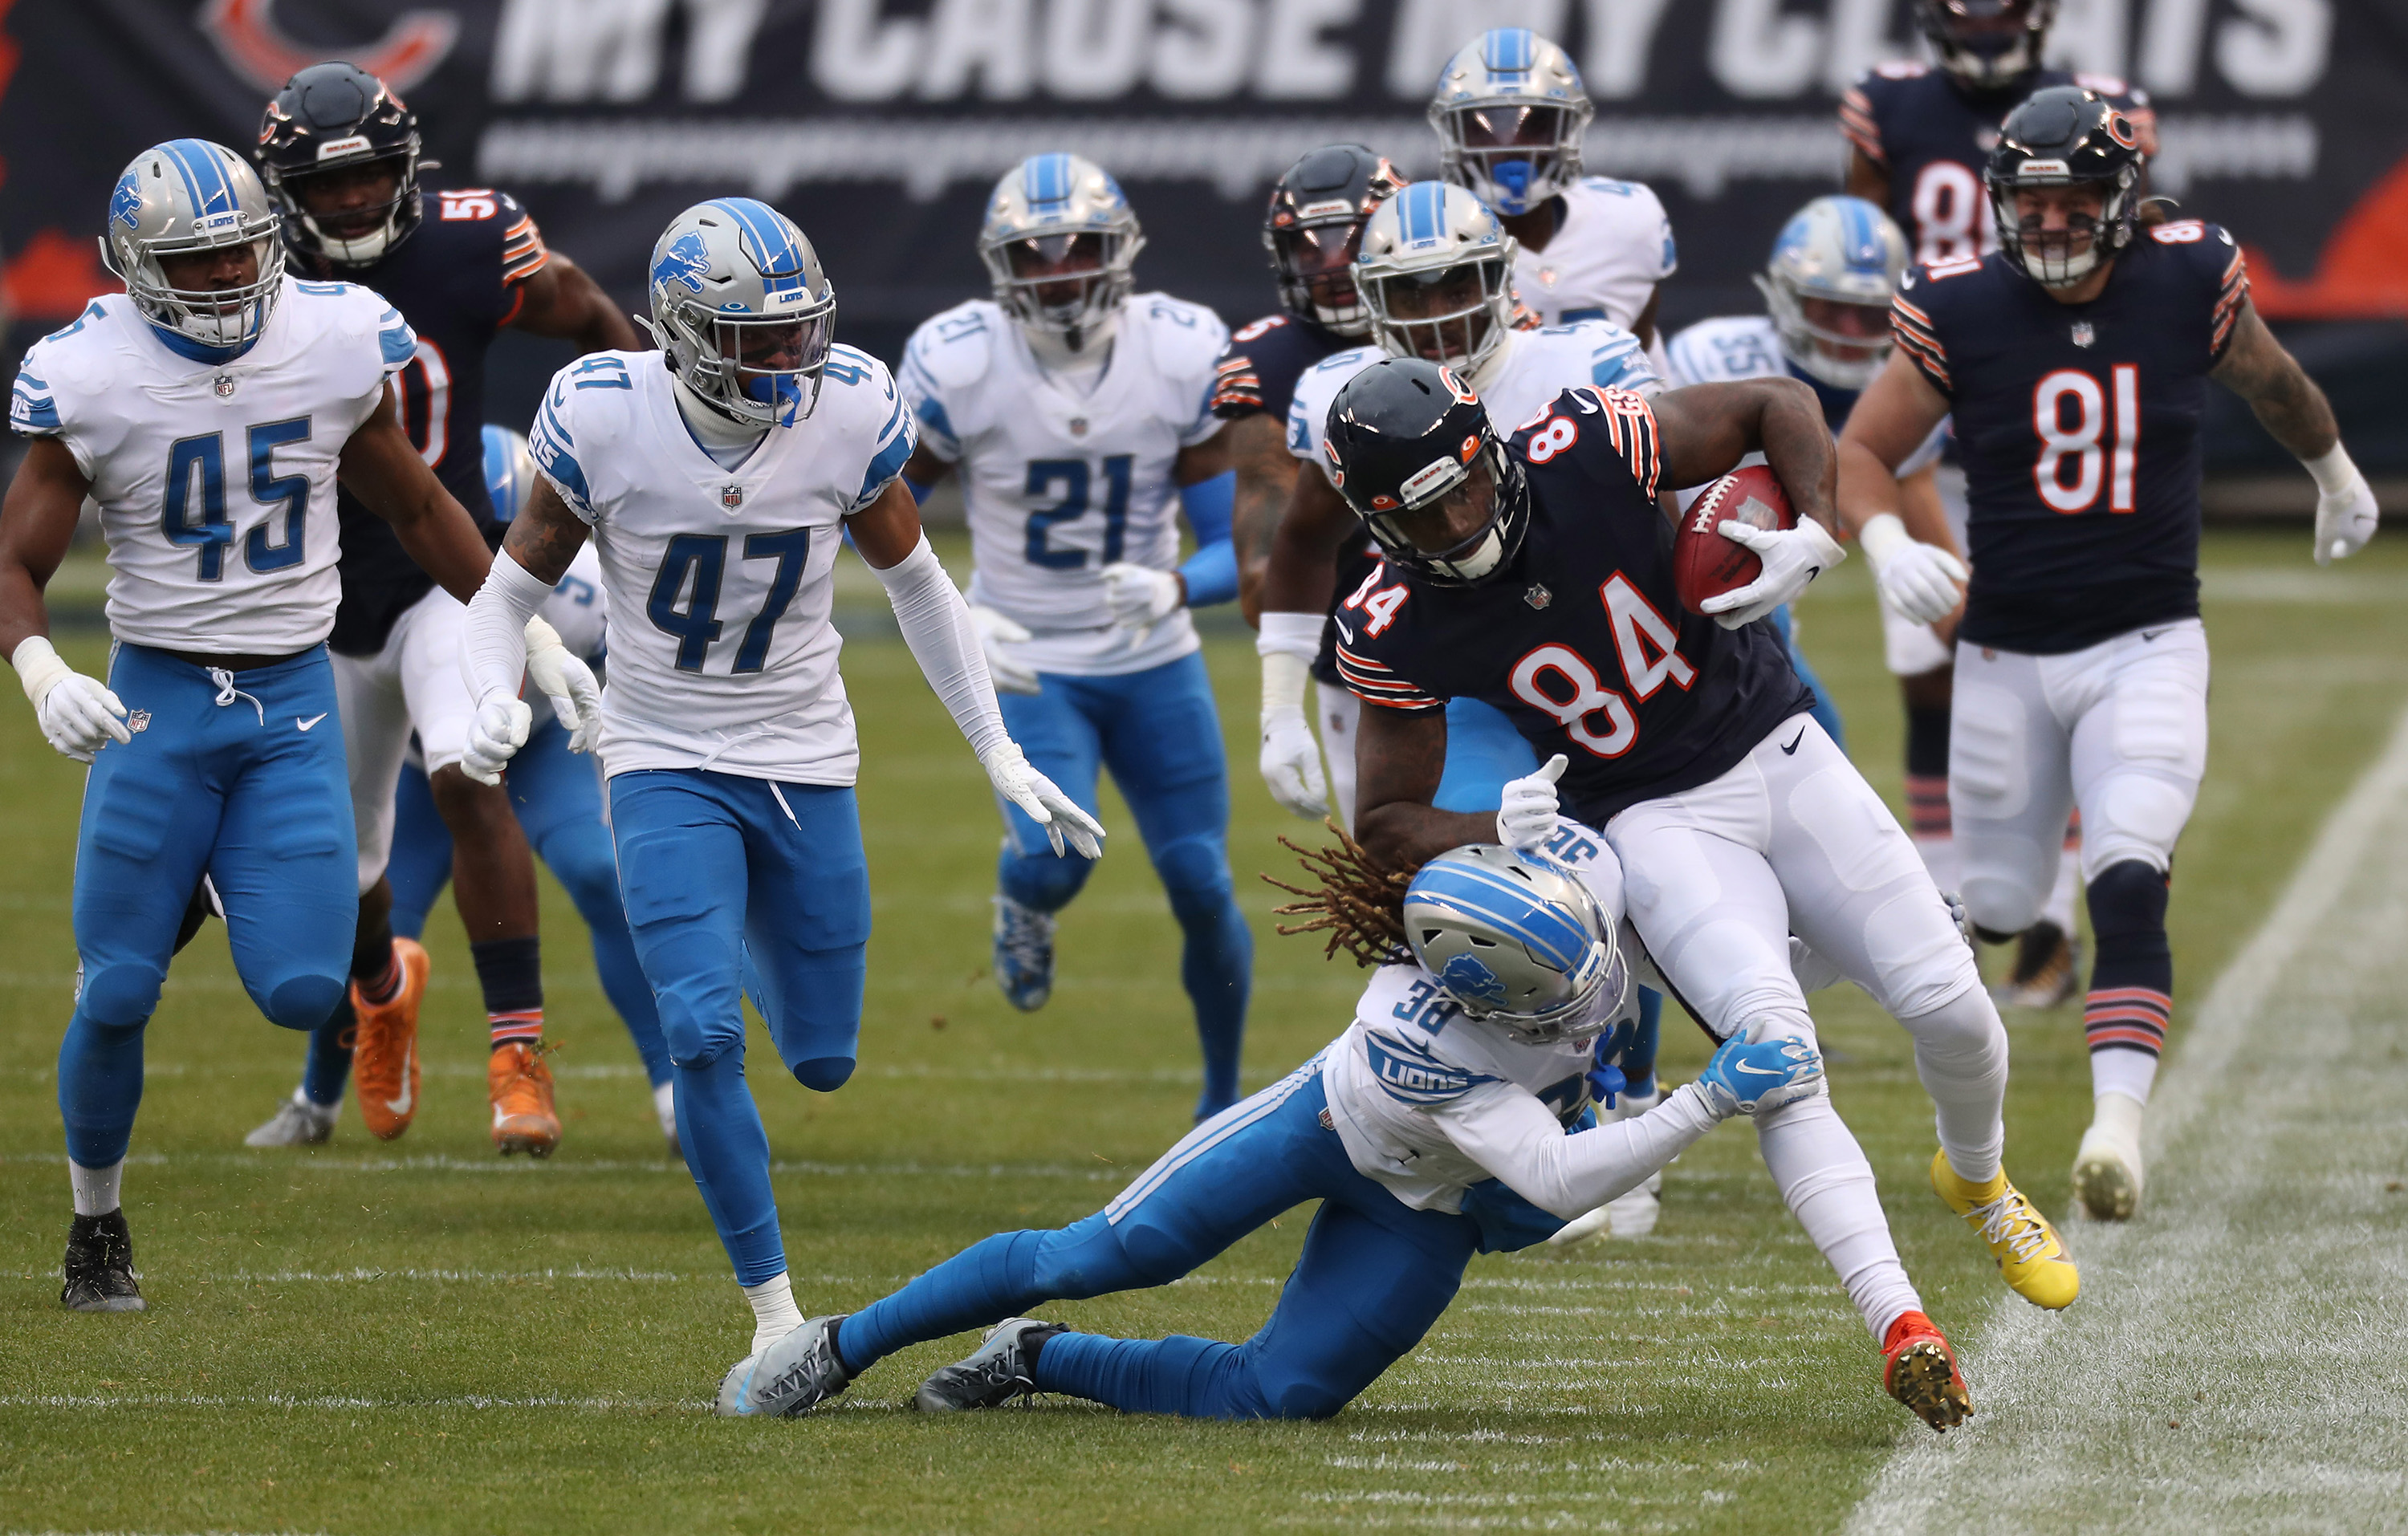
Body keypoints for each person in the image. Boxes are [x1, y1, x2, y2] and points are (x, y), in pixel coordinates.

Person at [454, 195, 1104, 1386]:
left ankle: (717, 935)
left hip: (806, 753)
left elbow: (916, 584)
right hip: (660, 749)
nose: (790, 358)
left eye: (802, 331)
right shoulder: (604, 410)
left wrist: (999, 753)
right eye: (760, 339)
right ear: (686, 335)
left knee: (820, 1056)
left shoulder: (849, 401)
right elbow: (504, 593)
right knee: (702, 1033)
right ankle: (772, 1310)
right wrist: (496, 694)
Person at [718, 836, 1971, 1433]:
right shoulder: (1430, 1036)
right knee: (1098, 1249)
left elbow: (1720, 918)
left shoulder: (1570, 896)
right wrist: (1704, 1099)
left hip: (1437, 1204)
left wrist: (1875, 940)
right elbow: (1554, 1168)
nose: (1595, 987)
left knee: (1284, 1396)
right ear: (1483, 990)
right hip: (1335, 1133)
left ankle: (1039, 1359)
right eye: (1556, 985)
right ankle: (841, 1345)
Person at [1325, 355, 2081, 1314]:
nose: (1456, 527)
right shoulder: (1390, 617)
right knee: (1779, 1053)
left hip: (1776, 741)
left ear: (1492, 450)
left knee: (1956, 1009)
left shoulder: (1584, 445)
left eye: (1462, 489)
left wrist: (1815, 527)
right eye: (1418, 516)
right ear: (1376, 522)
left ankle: (1978, 1180)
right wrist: (1492, 826)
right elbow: (1384, 823)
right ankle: (1899, 1318)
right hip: (1648, 816)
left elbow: (1781, 404)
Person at [2, 140, 591, 1310]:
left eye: (240, 252)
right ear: (137, 268)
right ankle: (95, 1226)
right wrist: (36, 664)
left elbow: (418, 501)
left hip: (289, 699)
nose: (226, 278)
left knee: (301, 987)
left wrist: (526, 633)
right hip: (156, 699)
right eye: (197, 260)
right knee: (118, 988)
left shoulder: (331, 334)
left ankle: (254, 902)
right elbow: (16, 558)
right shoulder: (90, 371)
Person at [1836, 87, 2380, 1221]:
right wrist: (1885, 544)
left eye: (2074, 199)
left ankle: (2116, 1129)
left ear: (2122, 198)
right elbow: (1862, 452)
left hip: (2146, 645)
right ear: (2000, 206)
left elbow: (2274, 381)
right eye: (2030, 204)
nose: (2049, 224)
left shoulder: (2185, 281)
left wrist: (2335, 470)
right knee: (1988, 902)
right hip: (2001, 660)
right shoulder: (1960, 308)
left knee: (2128, 874)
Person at [1256, 180, 1672, 1241]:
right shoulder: (1344, 392)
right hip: (1434, 678)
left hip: (1585, 665)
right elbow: (1302, 537)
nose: (1439, 313)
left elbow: (1664, 500)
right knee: (1472, 896)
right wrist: (1277, 702)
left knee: (1644, 892)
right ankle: (1491, 1119)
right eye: (1410, 291)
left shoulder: (1579, 361)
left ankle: (1619, 1100)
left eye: (1458, 285)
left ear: (1506, 282)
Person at [241, 62, 641, 1156]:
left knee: (470, 773)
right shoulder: (245, 273)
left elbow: (593, 312)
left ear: (408, 170)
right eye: (327, 190)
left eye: (370, 178)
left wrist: (659, 446)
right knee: (342, 865)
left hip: (446, 570)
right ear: (284, 196)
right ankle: (381, 992)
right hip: (306, 597)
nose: (354, 202)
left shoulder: (471, 243)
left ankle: (520, 1058)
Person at [897, 154, 1253, 1120]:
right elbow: (876, 515)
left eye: (1079, 251)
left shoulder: (1180, 349)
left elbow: (1239, 549)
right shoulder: (960, 359)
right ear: (1001, 266)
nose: (1058, 275)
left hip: (1151, 658)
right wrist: (961, 612)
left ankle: (1220, 1101)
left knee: (1203, 882)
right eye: (1035, 257)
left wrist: (1176, 583)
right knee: (1055, 866)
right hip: (1028, 657)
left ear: (1119, 252)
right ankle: (1021, 908)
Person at [1839, 0, 2158, 1006]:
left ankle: (2052, 917)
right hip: (1933, 373)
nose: (1979, 31)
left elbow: (2133, 247)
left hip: (2044, 392)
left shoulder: (2103, 113)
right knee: (1931, 667)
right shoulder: (1888, 103)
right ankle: (1954, 908)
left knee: (2058, 666)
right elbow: (1867, 235)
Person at [250, 427, 678, 1151]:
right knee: (362, 914)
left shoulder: (582, 589)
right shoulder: (379, 579)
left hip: (543, 743)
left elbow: (640, 683)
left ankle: (673, 1095)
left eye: (500, 534)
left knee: (601, 874)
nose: (484, 555)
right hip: (422, 758)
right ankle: (316, 1098)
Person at [1662, 193, 1944, 754]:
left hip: (1766, 604)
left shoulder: (1902, 390)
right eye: (1827, 307)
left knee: (1818, 736)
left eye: (1865, 313)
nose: (1845, 329)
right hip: (1674, 590)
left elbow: (1916, 503)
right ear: (1786, 297)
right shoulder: (1713, 358)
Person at [1217, 144, 1402, 839]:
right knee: (1393, 877)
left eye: (1349, 241)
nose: (1329, 265)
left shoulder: (1458, 322)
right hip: (1354, 650)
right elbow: (1262, 584)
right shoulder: (1269, 361)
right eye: (1310, 246)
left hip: (1491, 625)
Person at [1429, 28, 1675, 355]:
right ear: (1455, 133)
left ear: (1568, 128)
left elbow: (1643, 356)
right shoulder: (1431, 241)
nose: (1512, 144)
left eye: (1535, 123)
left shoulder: (1630, 219)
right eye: (1486, 127)